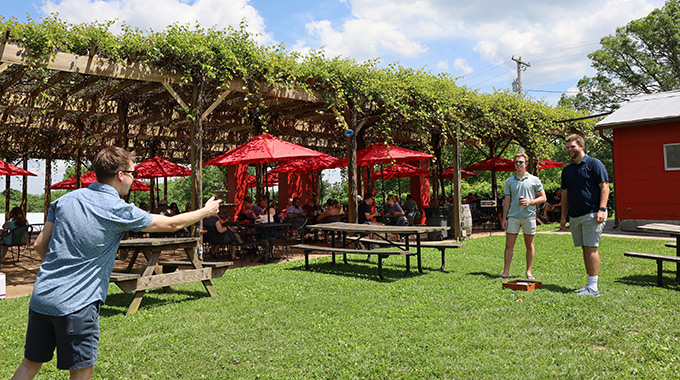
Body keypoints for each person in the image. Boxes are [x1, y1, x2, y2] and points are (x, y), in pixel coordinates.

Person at [12, 147, 221, 380]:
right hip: (77, 305)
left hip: (42, 297)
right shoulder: (118, 209)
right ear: (121, 175)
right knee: (80, 373)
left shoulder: (65, 200)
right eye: (133, 173)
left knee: (30, 364)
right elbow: (170, 224)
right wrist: (205, 211)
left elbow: (39, 246)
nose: (134, 179)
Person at [560, 134, 610, 296]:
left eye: (572, 147)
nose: (569, 150)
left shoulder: (594, 164)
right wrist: (563, 217)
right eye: (567, 147)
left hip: (593, 213)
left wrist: (602, 209)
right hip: (575, 215)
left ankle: (594, 287)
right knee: (585, 248)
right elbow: (565, 195)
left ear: (581, 146)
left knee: (591, 247)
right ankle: (589, 284)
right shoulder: (567, 170)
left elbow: (605, 186)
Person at [498, 153, 546, 280]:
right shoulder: (509, 181)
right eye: (516, 162)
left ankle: (529, 272)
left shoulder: (534, 180)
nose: (518, 164)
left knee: (529, 245)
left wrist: (530, 202)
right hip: (513, 217)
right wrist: (504, 218)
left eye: (521, 162)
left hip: (529, 217)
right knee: (509, 245)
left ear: (526, 164)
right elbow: (507, 201)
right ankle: (506, 272)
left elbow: (543, 198)